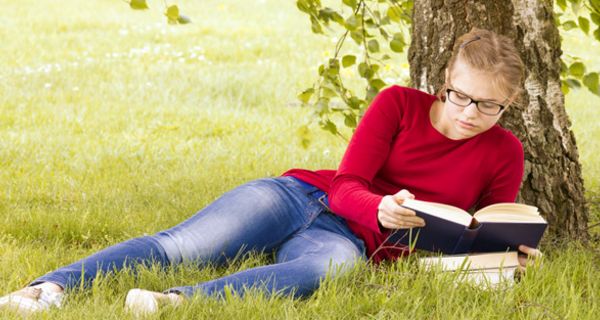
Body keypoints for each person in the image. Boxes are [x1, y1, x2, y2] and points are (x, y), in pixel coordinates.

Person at [0, 27, 543, 316]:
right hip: (304, 197)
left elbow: (481, 230)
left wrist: (508, 252)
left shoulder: (504, 153)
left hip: (352, 242)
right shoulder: (398, 104)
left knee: (324, 272)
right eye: (459, 96)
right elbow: (348, 185)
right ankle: (47, 289)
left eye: (487, 105)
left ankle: (174, 303)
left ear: (510, 104)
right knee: (185, 244)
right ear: (444, 79)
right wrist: (380, 207)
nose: (468, 114)